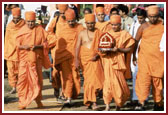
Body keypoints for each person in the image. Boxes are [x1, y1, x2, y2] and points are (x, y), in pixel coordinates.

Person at [16, 11, 52, 110]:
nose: (30, 24)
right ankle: (22, 102)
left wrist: (37, 46)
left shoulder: (40, 30)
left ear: (35, 21)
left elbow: (47, 43)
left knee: (37, 81)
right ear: (25, 21)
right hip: (25, 61)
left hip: (36, 60)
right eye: (28, 22)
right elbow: (18, 45)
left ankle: (38, 100)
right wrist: (25, 47)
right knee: (22, 81)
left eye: (32, 22)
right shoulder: (22, 30)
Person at [98, 15, 135, 111]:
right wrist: (104, 50)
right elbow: (100, 47)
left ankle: (118, 104)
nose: (114, 27)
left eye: (116, 25)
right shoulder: (106, 34)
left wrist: (119, 49)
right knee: (107, 84)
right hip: (108, 61)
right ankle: (107, 105)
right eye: (112, 25)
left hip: (118, 61)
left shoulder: (125, 34)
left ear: (120, 24)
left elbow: (129, 48)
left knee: (118, 84)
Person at [133, 5, 164, 111]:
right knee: (143, 81)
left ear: (158, 15)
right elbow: (136, 42)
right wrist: (133, 56)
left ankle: (158, 103)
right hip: (144, 59)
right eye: (150, 16)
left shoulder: (163, 25)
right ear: (147, 16)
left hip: (158, 60)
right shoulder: (143, 27)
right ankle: (141, 103)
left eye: (155, 16)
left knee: (158, 82)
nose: (153, 19)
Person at [75, 14, 104, 110]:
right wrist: (76, 60)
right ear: (85, 23)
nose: (90, 25)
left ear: (95, 23)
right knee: (89, 82)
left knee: (97, 82)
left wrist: (98, 54)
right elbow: (77, 47)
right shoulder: (82, 34)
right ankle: (93, 102)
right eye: (88, 23)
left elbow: (103, 46)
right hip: (85, 60)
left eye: (92, 23)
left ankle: (91, 100)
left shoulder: (99, 32)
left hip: (96, 60)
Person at [47, 4, 68, 101]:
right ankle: (56, 88)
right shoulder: (55, 20)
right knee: (56, 72)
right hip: (57, 50)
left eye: (64, 12)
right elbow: (49, 32)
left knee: (66, 73)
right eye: (61, 13)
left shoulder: (70, 20)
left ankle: (64, 93)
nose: (63, 14)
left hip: (68, 51)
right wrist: (55, 40)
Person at [129, 8, 147, 107]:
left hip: (146, 54)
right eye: (139, 18)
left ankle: (144, 98)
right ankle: (135, 98)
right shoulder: (134, 23)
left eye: (142, 18)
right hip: (135, 53)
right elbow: (134, 40)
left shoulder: (148, 26)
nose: (140, 20)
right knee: (135, 75)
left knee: (144, 77)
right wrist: (133, 55)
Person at [4, 7, 25, 94]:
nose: (16, 20)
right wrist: (6, 51)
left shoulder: (24, 25)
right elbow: (7, 39)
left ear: (20, 16)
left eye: (18, 18)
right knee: (11, 71)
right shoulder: (9, 26)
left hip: (20, 52)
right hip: (10, 52)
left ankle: (20, 87)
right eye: (14, 18)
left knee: (21, 71)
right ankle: (13, 87)